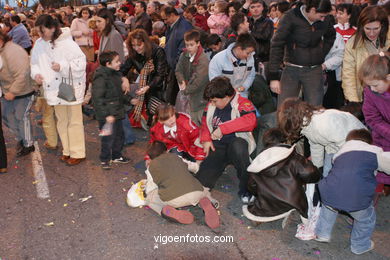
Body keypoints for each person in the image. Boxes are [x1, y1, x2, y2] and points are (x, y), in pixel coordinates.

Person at [316, 129, 390, 255]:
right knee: (366, 219)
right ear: (369, 142)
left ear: (349, 140)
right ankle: (360, 245)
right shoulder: (374, 151)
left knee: (328, 208)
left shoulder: (339, 153)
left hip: (328, 193)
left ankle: (322, 234)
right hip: (356, 199)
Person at [30, 14, 87, 166]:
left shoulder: (68, 43)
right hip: (54, 88)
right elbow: (34, 63)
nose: (40, 35)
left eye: (43, 31)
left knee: (74, 120)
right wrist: (36, 74)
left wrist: (62, 66)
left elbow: (81, 63)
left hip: (71, 87)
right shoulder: (40, 44)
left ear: (52, 28)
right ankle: (67, 150)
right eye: (39, 32)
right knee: (62, 120)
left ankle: (78, 152)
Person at [195, 76, 257, 203]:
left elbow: (251, 121)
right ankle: (202, 194)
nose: (212, 104)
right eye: (211, 101)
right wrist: (206, 139)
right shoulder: (211, 105)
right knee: (201, 183)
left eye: (215, 101)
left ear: (227, 97)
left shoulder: (243, 103)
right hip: (218, 146)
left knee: (239, 148)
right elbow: (204, 123)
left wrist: (223, 129)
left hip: (236, 143)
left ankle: (247, 189)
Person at [243, 128, 320, 223]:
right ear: (284, 140)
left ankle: (261, 217)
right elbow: (310, 172)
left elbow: (251, 186)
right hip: (293, 202)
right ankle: (293, 214)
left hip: (266, 205)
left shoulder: (258, 161)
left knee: (259, 207)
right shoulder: (294, 157)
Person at [268, 0, 336, 106]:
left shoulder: (325, 19)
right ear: (313, 10)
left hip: (314, 69)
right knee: (285, 108)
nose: (323, 19)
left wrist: (321, 52)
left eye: (325, 16)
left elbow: (331, 36)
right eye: (321, 16)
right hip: (291, 68)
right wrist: (273, 76)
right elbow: (277, 45)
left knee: (315, 109)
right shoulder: (290, 17)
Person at [277, 98, 366, 177]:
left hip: (357, 145)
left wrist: (339, 166)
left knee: (336, 176)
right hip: (334, 148)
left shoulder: (322, 123)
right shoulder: (307, 124)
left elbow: (346, 144)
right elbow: (316, 145)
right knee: (326, 175)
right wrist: (316, 169)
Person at [144, 141, 220, 229]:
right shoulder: (176, 157)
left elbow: (151, 187)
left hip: (175, 200)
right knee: (202, 189)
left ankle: (165, 211)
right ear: (166, 150)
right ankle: (210, 202)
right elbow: (194, 167)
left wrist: (147, 191)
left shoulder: (151, 166)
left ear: (149, 157)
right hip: (197, 193)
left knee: (150, 197)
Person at [120, 29, 168, 127]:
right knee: (151, 117)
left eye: (139, 45)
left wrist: (148, 87)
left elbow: (160, 75)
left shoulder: (157, 51)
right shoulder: (133, 54)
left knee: (160, 116)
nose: (136, 48)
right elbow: (122, 70)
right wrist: (124, 78)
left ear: (145, 42)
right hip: (144, 87)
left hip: (159, 88)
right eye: (133, 45)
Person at [92, 51, 131, 170]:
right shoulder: (101, 77)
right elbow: (97, 98)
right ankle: (104, 159)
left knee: (119, 135)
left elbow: (118, 94)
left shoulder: (115, 74)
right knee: (107, 138)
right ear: (108, 64)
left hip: (116, 112)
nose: (120, 63)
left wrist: (130, 100)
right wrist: (106, 115)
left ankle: (116, 155)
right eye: (117, 61)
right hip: (107, 115)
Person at [342, 6, 389, 103]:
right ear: (361, 26)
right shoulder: (352, 44)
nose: (372, 33)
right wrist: (354, 102)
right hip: (366, 96)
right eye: (367, 28)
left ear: (383, 26)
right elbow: (348, 75)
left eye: (376, 28)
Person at [359, 53, 390, 194]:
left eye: (375, 85)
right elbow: (372, 118)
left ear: (388, 78)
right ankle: (376, 191)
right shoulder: (370, 93)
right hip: (381, 138)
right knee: (380, 170)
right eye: (369, 85)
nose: (372, 89)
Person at [0, 31, 35, 157]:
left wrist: (13, 91)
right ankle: (22, 137)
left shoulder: (13, 51)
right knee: (7, 116)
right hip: (8, 91)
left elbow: (22, 73)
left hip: (23, 91)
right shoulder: (3, 51)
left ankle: (28, 144)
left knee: (22, 117)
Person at [175, 30, 209, 125]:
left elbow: (198, 82)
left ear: (198, 43)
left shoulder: (203, 60)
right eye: (187, 45)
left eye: (191, 45)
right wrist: (181, 81)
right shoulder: (184, 54)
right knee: (187, 122)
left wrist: (185, 91)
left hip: (200, 98)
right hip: (187, 94)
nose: (189, 48)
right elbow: (178, 70)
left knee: (199, 123)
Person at [161, 6, 193, 105]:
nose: (165, 21)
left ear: (172, 15)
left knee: (177, 99)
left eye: (165, 19)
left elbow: (183, 51)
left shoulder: (184, 27)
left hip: (180, 69)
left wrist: (176, 67)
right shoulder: (172, 26)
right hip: (173, 66)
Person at [209, 33, 256, 99]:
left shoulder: (250, 59)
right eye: (248, 53)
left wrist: (244, 87)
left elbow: (251, 74)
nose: (250, 55)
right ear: (239, 49)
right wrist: (228, 92)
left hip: (242, 95)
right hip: (223, 97)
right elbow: (214, 82)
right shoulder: (218, 59)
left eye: (251, 53)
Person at [242, 0, 274, 66]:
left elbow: (264, 36)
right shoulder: (246, 20)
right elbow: (237, 18)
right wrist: (247, 3)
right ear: (249, 9)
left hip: (262, 57)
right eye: (252, 7)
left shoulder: (268, 22)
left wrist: (248, 32)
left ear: (262, 8)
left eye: (258, 6)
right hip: (246, 54)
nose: (256, 9)